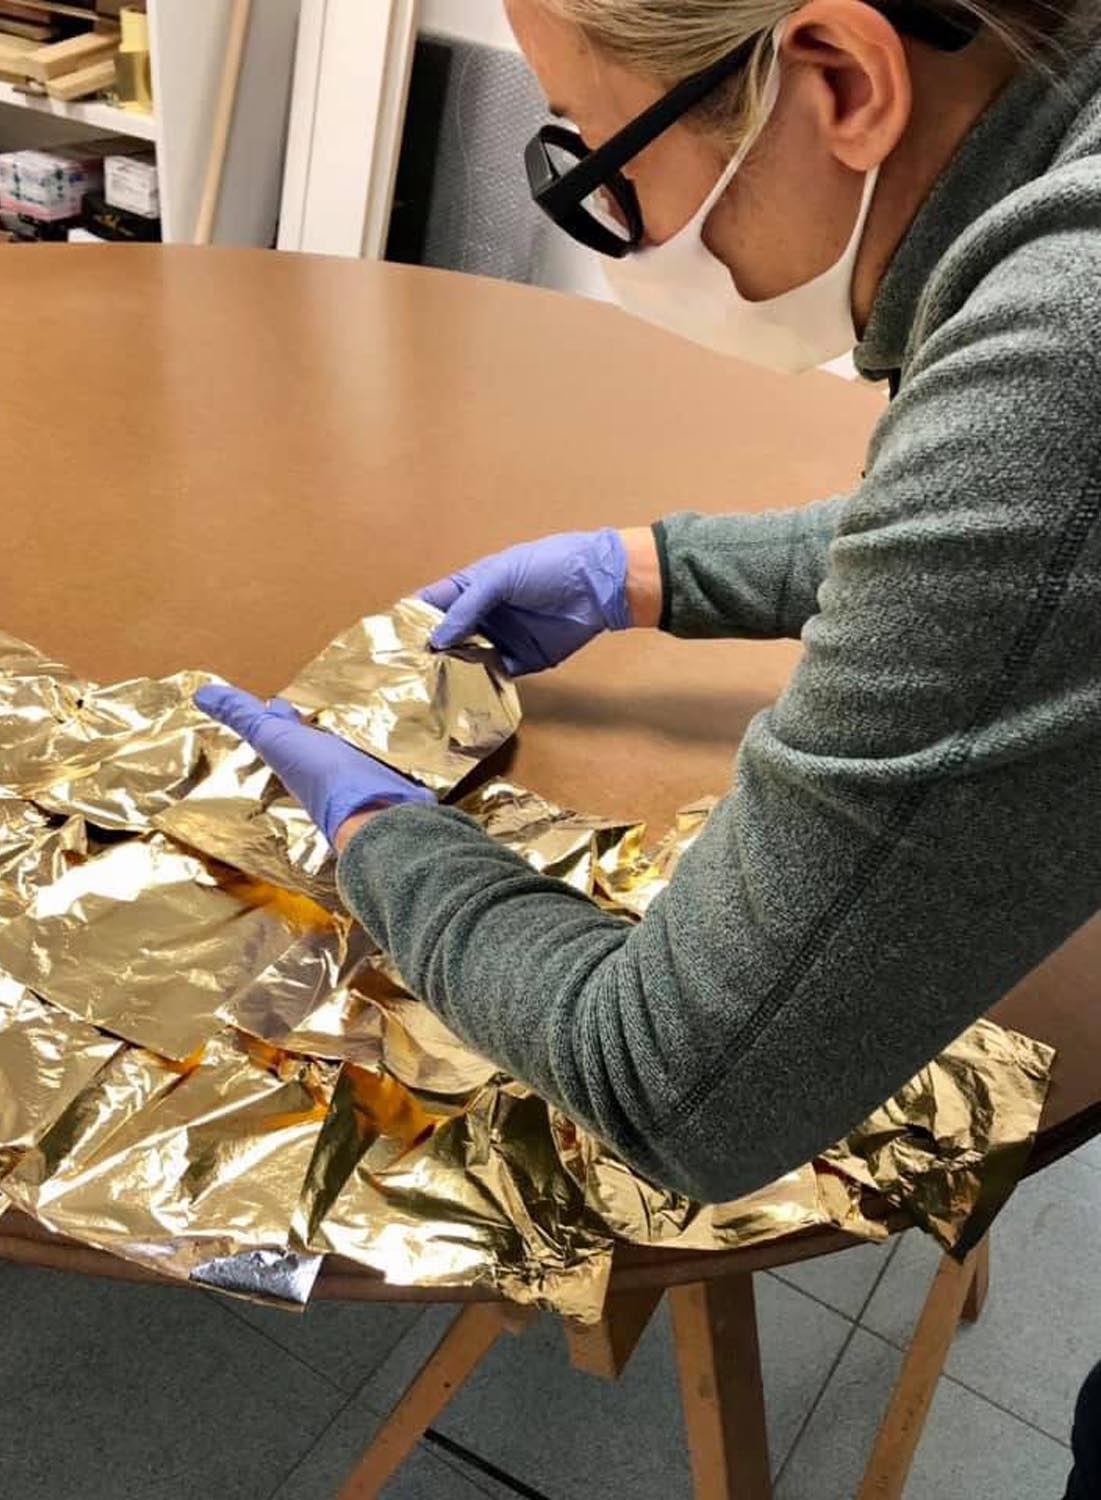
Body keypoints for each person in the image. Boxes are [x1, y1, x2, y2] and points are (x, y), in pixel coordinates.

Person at [196, 0, 1101, 1488]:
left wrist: (378, 833)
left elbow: (684, 1083)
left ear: (841, 80)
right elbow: (1003, 539)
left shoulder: (1068, 342)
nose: (615, 226)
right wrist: (651, 571)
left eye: (599, 160)